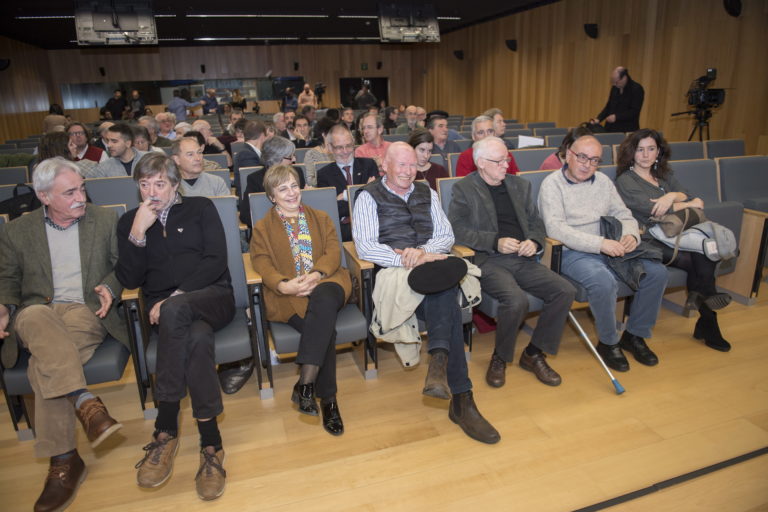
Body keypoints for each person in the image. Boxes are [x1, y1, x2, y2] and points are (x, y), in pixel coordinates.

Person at [0, 157, 126, 511]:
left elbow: (123, 267)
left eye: (82, 188)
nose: (80, 197)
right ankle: (84, 400)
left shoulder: (104, 220)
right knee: (38, 316)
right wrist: (3, 305)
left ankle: (64, 461)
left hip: (84, 310)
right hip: (35, 314)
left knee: (45, 364)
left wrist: (109, 287)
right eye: (69, 192)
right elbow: (6, 279)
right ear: (43, 196)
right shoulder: (16, 230)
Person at [352, 142, 500, 444]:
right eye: (401, 165)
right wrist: (405, 257)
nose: (409, 172)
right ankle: (460, 395)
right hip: (395, 275)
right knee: (444, 292)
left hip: (428, 265)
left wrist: (422, 253)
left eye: (413, 165)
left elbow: (445, 235)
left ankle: (442, 369)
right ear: (385, 166)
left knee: (441, 285)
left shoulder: (427, 193)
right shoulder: (367, 198)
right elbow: (366, 246)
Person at [116, 152, 235, 501]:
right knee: (196, 340)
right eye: (144, 183)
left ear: (174, 184)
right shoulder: (128, 222)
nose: (152, 191)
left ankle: (165, 428)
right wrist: (138, 233)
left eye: (159, 183)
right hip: (169, 317)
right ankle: (211, 444)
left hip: (212, 297)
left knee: (175, 310)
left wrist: (177, 296)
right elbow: (129, 278)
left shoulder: (200, 208)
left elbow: (216, 260)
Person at [449, 137, 576, 387]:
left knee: (565, 290)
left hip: (522, 257)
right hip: (488, 259)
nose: (506, 165)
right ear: (481, 163)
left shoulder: (520, 185)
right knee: (515, 300)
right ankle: (500, 357)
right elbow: (456, 230)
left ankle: (533, 353)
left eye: (506, 159)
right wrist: (495, 241)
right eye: (499, 161)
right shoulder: (464, 188)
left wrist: (534, 241)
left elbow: (536, 223)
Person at [538, 135, 668, 372]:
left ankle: (635, 335)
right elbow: (556, 229)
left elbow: (623, 213)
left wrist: (631, 235)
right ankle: (609, 342)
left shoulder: (604, 183)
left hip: (610, 245)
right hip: (571, 252)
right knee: (603, 282)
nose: (587, 164)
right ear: (568, 155)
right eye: (582, 157)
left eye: (594, 160)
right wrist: (600, 244)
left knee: (656, 273)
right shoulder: (552, 184)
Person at [249, 164, 350, 435]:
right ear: (272, 196)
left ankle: (306, 384)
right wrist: (284, 285)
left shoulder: (320, 217)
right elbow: (260, 261)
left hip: (326, 281)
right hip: (288, 294)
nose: (291, 193)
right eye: (283, 189)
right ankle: (327, 399)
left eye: (294, 186)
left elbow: (332, 250)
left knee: (324, 299)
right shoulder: (262, 228)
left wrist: (316, 274)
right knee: (323, 329)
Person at [615, 129, 732, 351]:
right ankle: (708, 318)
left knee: (705, 253)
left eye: (651, 149)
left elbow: (696, 199)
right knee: (699, 258)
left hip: (677, 235)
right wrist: (682, 201)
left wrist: (670, 196)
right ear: (631, 152)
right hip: (648, 238)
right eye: (640, 150)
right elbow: (652, 211)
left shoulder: (664, 175)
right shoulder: (626, 180)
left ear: (659, 151)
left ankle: (706, 317)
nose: (646, 155)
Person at [317, 125, 379, 241]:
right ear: (330, 147)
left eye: (349, 146)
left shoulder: (369, 165)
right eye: (339, 147)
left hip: (372, 225)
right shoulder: (323, 174)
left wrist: (344, 196)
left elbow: (377, 200)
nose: (345, 152)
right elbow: (332, 210)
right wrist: (365, 189)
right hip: (344, 230)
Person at [239, 136, 307, 226]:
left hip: (296, 226)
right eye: (290, 157)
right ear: (276, 159)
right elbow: (246, 216)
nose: (294, 159)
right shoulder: (255, 179)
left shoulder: (297, 172)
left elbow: (303, 207)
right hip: (268, 229)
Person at [455, 116, 520, 177]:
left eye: (490, 131)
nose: (486, 136)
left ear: (494, 134)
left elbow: (516, 181)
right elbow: (464, 186)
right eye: (481, 132)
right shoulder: (465, 157)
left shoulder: (505, 154)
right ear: (473, 137)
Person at [590, 66, 645, 133]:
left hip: (627, 129)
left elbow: (634, 111)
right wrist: (598, 119)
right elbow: (609, 106)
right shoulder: (615, 88)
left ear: (624, 78)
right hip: (611, 128)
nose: (614, 84)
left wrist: (616, 117)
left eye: (616, 82)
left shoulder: (637, 89)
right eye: (613, 82)